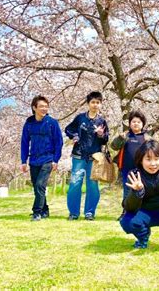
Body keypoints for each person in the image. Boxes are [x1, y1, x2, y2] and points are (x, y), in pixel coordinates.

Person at [65, 91, 109, 221]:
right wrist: (75, 136)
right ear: (88, 103)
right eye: (93, 102)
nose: (95, 105)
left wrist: (101, 134)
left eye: (98, 102)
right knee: (75, 184)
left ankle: (89, 212)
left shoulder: (102, 121)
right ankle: (73, 213)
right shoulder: (80, 118)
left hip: (94, 158)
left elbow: (106, 139)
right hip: (78, 155)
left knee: (93, 186)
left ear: (101, 104)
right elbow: (68, 129)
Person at [20, 95, 63, 221]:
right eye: (41, 106)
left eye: (46, 106)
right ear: (34, 108)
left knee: (40, 185)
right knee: (37, 186)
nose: (44, 109)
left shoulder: (52, 123)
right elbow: (24, 142)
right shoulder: (29, 123)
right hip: (34, 159)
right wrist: (23, 161)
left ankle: (37, 212)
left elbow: (59, 142)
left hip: (48, 158)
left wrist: (56, 159)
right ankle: (45, 210)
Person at [110, 110, 152, 203]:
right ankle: (126, 211)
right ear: (129, 124)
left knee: (143, 190)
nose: (136, 124)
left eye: (138, 122)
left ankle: (142, 211)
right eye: (133, 122)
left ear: (143, 124)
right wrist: (120, 138)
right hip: (127, 169)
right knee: (127, 191)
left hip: (143, 169)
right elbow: (114, 147)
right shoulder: (125, 136)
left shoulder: (147, 138)